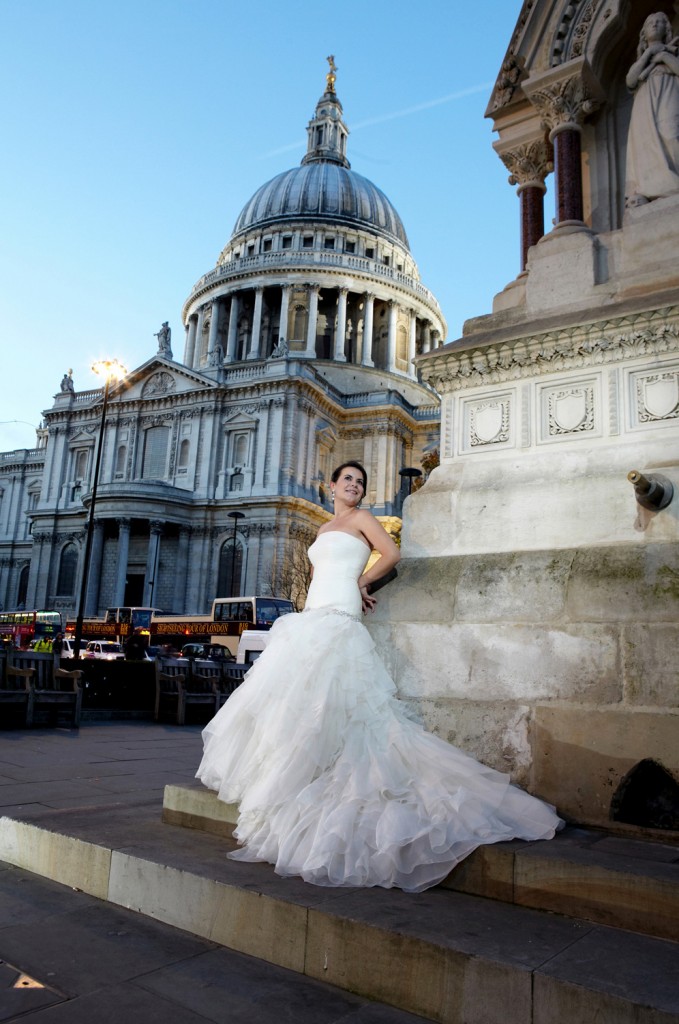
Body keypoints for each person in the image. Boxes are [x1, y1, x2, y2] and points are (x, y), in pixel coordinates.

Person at [197, 461, 562, 892]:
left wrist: (361, 582)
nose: (354, 486)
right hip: (312, 616)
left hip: (340, 616)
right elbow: (317, 576)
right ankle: (298, 783)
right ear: (330, 485)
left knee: (338, 706)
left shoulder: (364, 520)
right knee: (300, 705)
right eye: (347, 479)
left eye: (360, 482)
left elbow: (392, 554)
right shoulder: (321, 529)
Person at [625, 12, 679, 207]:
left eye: (659, 22)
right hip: (644, 101)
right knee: (645, 143)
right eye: (650, 23)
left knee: (671, 135)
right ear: (643, 32)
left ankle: (674, 186)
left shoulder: (673, 52)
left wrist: (664, 55)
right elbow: (631, 80)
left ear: (667, 28)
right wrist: (650, 53)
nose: (654, 25)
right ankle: (647, 191)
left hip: (669, 93)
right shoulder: (643, 61)